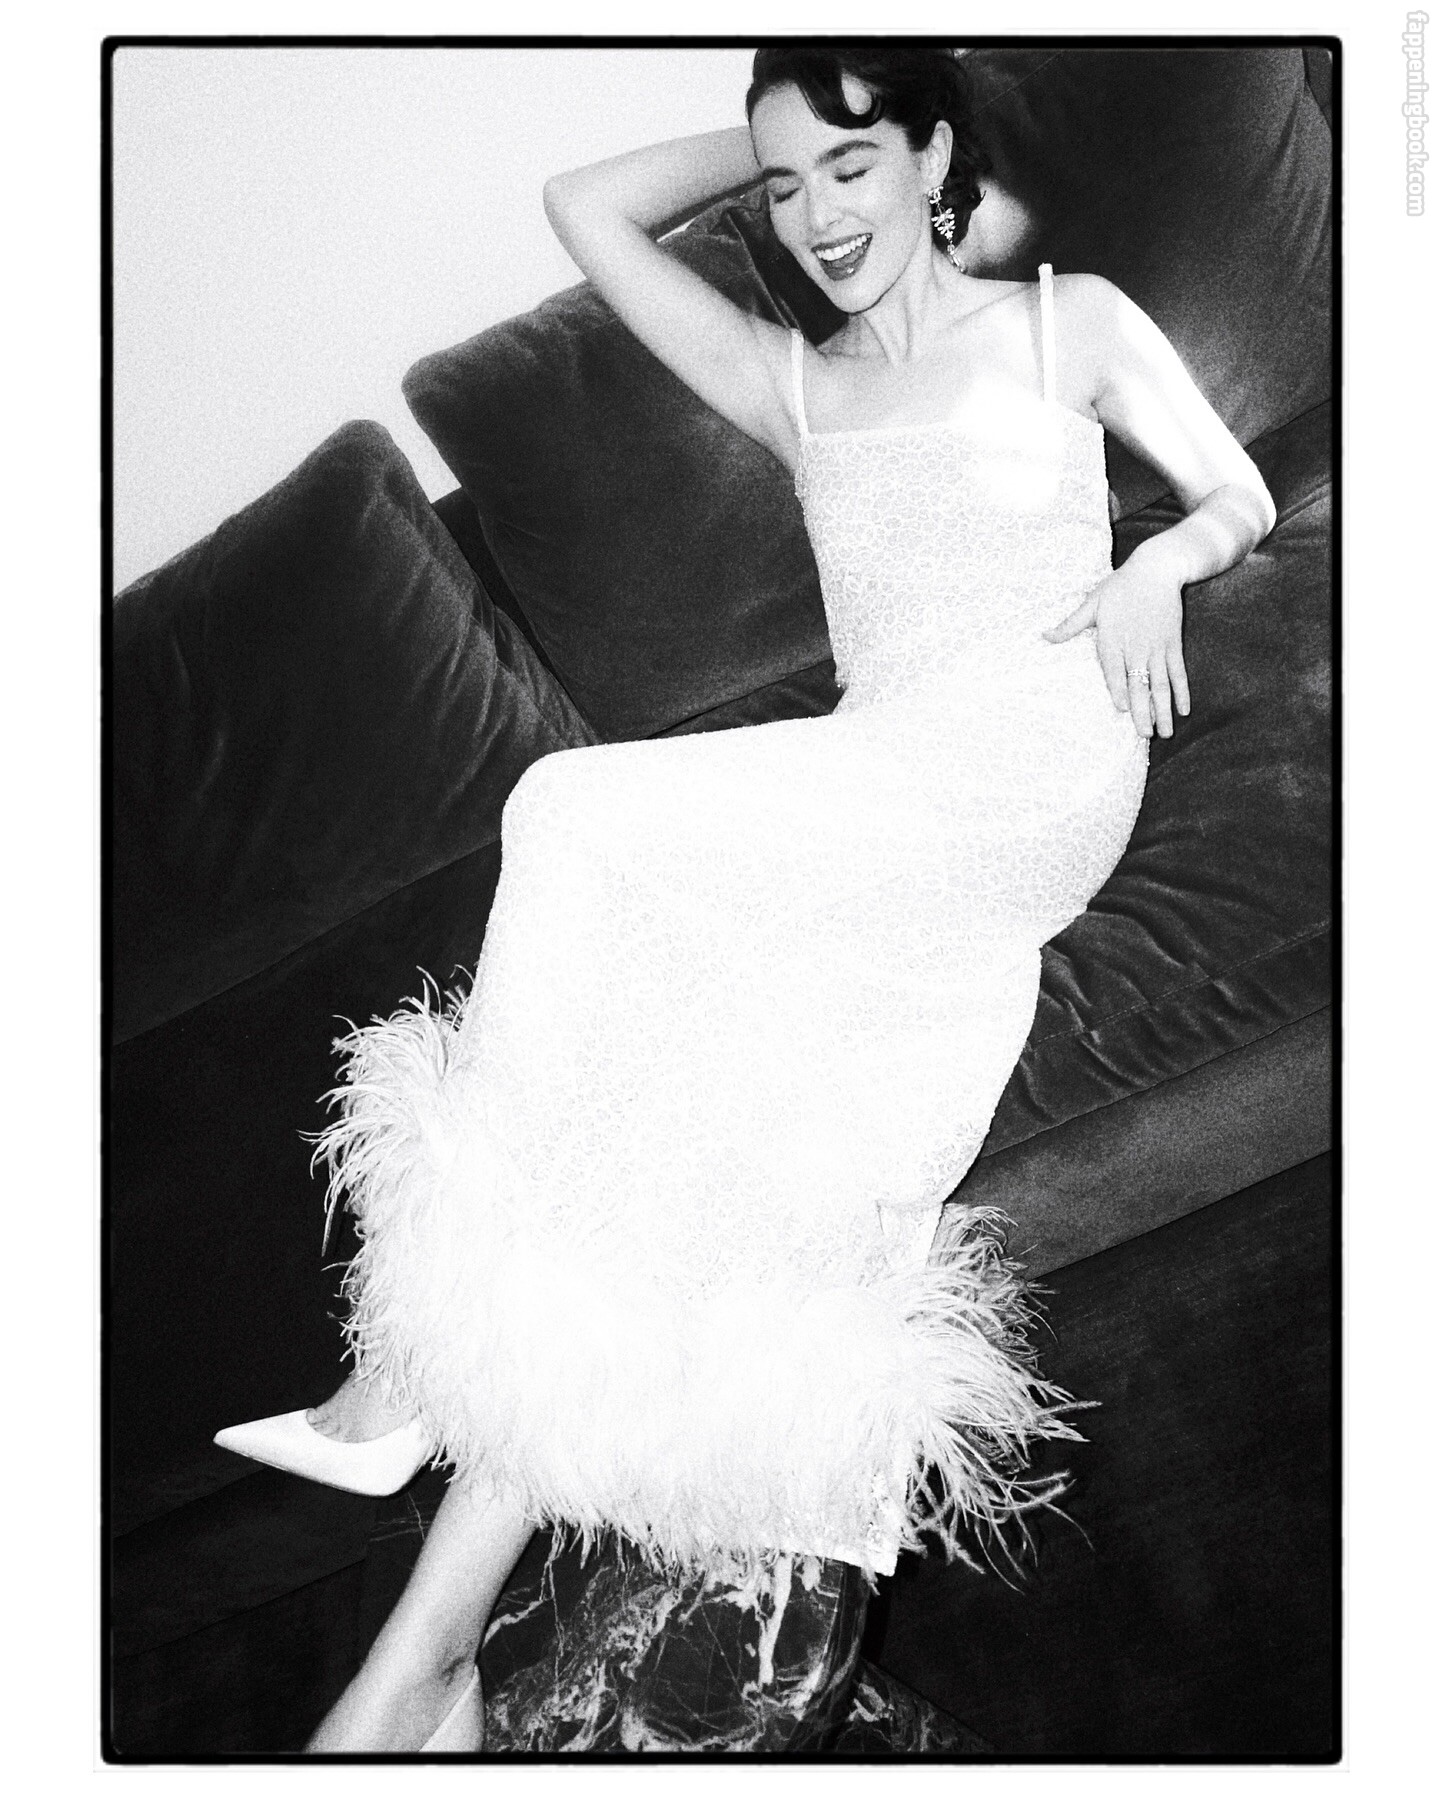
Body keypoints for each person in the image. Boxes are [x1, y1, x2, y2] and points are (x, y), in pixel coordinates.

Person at [216, 46, 1276, 1753]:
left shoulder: (1064, 322)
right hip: (874, 788)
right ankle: (425, 1663)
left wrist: (1162, 556)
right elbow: (580, 206)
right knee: (684, 1114)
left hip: (1033, 765)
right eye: (785, 190)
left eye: (853, 170)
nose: (817, 217)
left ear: (933, 153)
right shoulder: (795, 384)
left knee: (567, 810)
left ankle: (415, 1354)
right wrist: (785, 130)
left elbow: (1238, 488)